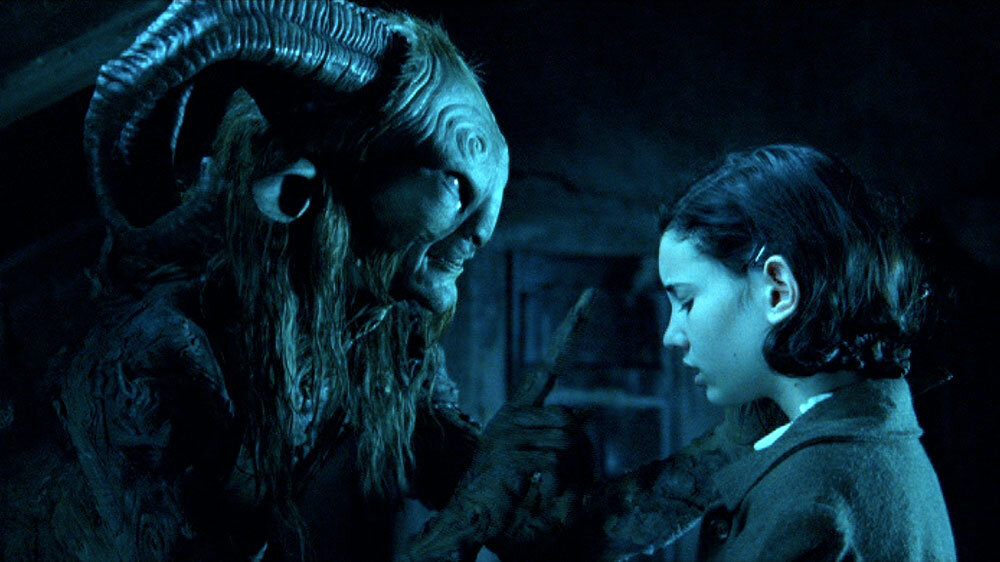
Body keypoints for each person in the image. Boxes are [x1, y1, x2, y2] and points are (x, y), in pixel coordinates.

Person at [656, 144, 956, 559]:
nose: (672, 335)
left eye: (687, 301)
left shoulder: (809, 504)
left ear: (778, 290)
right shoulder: (887, 448)